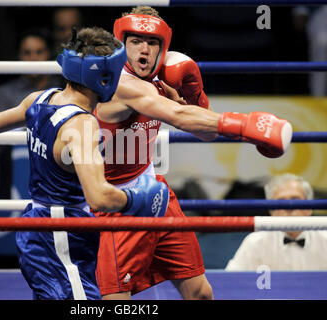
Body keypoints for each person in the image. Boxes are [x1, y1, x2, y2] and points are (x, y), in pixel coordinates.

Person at [0, 27, 170, 300]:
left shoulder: (40, 98)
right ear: (104, 76)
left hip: (39, 226)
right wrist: (137, 199)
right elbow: (99, 196)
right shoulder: (82, 124)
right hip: (62, 235)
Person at [93, 6, 293, 300]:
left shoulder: (160, 82)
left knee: (200, 293)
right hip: (116, 201)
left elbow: (204, 133)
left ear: (163, 47)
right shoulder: (120, 84)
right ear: (122, 44)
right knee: (116, 300)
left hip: (153, 192)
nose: (144, 51)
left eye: (152, 43)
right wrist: (247, 125)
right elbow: (179, 117)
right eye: (136, 42)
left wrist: (195, 98)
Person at [225, 173, 327, 271]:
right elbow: (230, 280)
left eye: (295, 199)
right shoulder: (255, 242)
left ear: (309, 208)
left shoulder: (325, 240)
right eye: (281, 201)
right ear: (272, 211)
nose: (289, 207)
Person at [0, 29, 63, 113]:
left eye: (39, 52)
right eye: (27, 53)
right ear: (19, 55)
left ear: (49, 53)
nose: (33, 58)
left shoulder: (63, 88)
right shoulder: (4, 93)